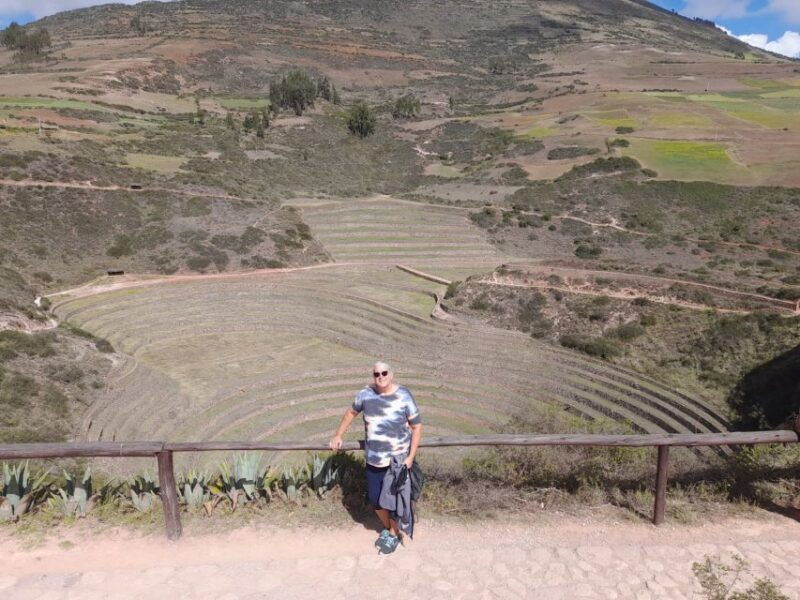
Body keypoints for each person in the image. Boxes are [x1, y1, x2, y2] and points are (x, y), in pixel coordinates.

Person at [329, 361, 422, 554]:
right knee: (375, 500)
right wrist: (338, 435)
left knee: (395, 503)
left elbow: (416, 426)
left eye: (384, 373)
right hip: (373, 460)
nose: (381, 377)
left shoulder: (404, 395)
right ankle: (391, 528)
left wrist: (410, 457)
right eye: (377, 374)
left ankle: (393, 533)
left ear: (391, 374)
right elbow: (351, 413)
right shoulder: (365, 394)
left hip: (397, 461)